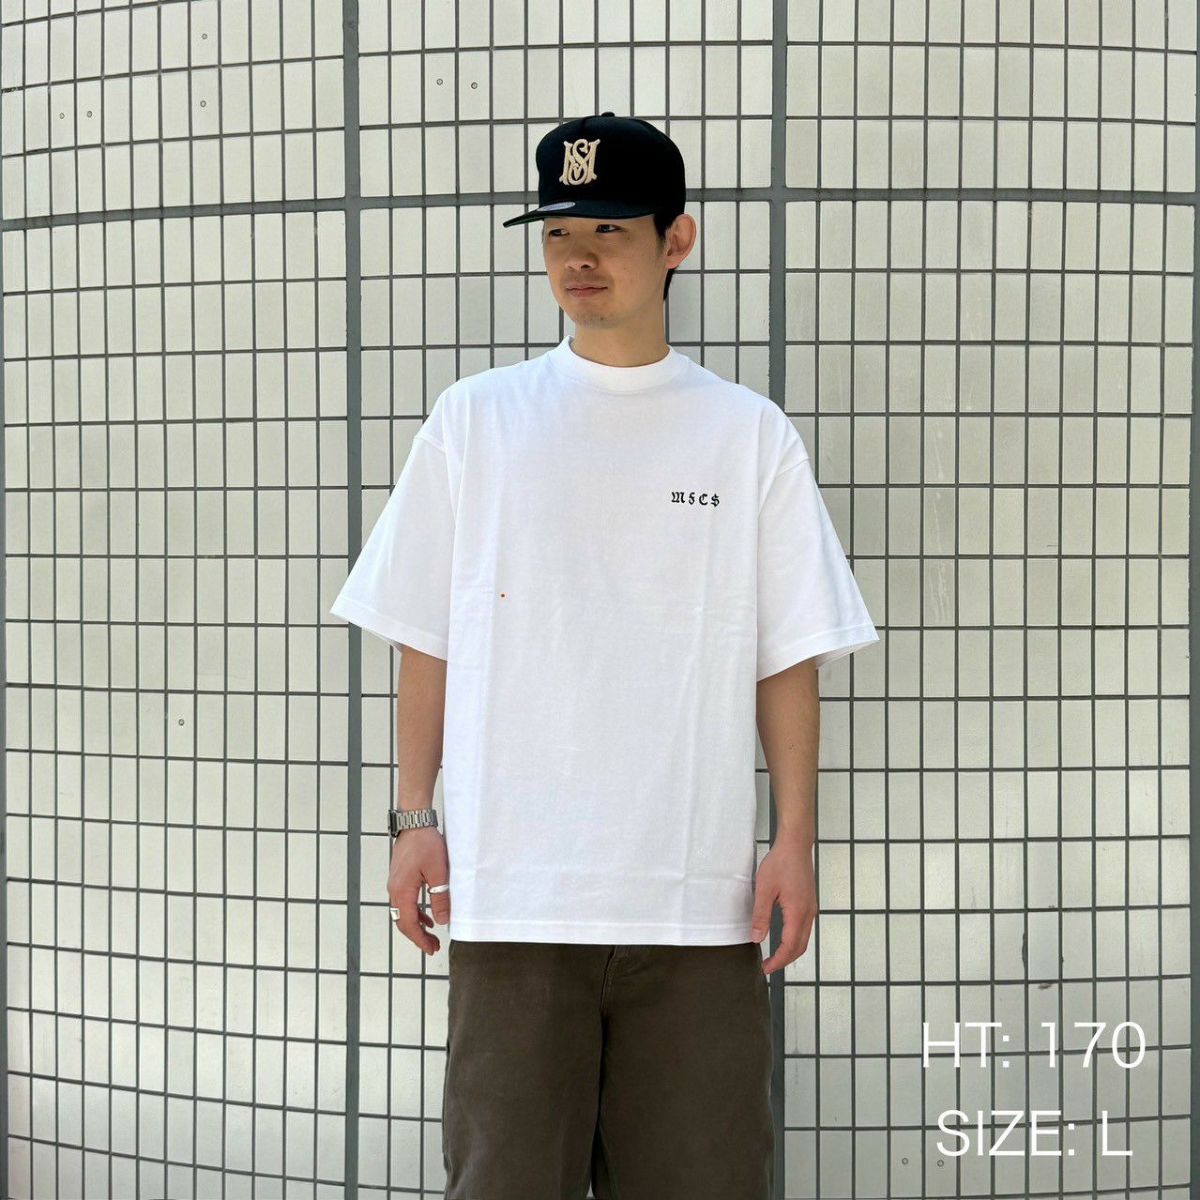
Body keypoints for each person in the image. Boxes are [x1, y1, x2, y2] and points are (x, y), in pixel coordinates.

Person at [330, 112, 879, 1200]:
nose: (577, 257)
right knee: (504, 1182)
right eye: (557, 234)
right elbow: (423, 636)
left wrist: (794, 841)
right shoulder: (477, 420)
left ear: (677, 241)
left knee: (706, 1181)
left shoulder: (746, 434)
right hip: (513, 898)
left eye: (609, 231)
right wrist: (412, 818)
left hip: (696, 906)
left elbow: (787, 655)